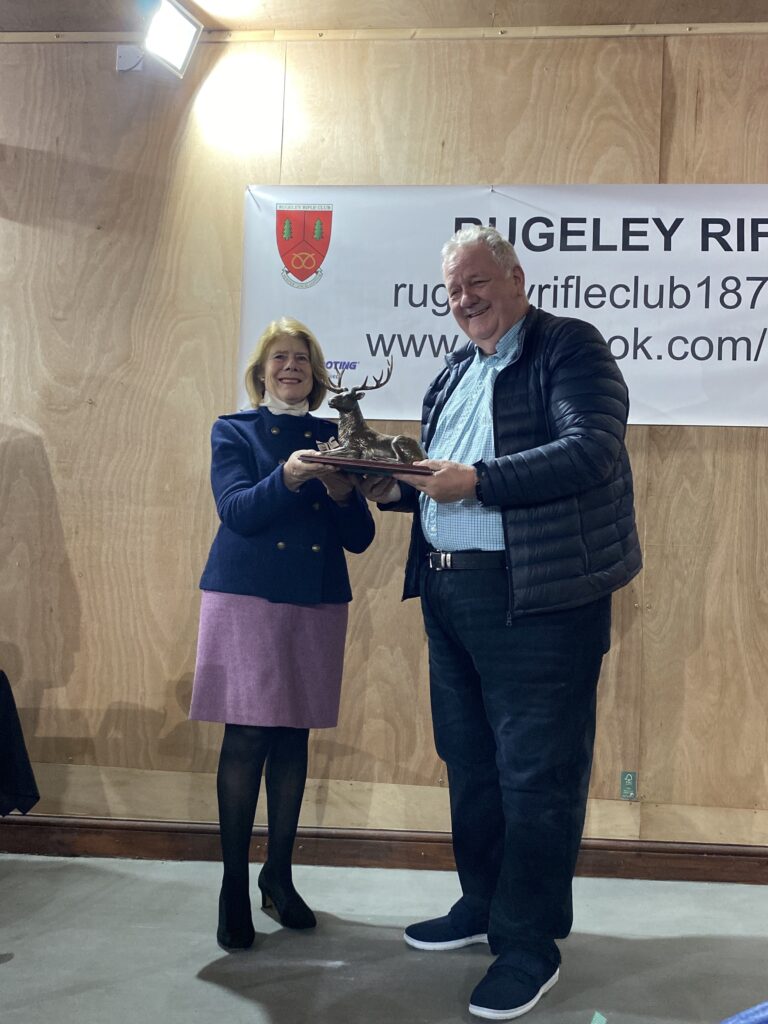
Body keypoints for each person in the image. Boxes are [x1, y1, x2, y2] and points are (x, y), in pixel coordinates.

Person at [360, 225, 641, 1019]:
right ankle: (482, 905)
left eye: (477, 282)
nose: (464, 300)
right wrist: (388, 487)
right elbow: (435, 485)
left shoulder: (568, 347)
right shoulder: (454, 372)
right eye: (452, 291)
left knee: (537, 779)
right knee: (471, 764)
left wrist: (475, 480)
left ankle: (529, 944)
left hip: (540, 600)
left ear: (517, 277)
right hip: (451, 596)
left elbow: (591, 449)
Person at [189, 316, 374, 952]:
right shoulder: (233, 430)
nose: (290, 367)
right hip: (246, 597)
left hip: (316, 597)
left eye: (301, 359)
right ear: (261, 371)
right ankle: (232, 886)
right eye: (279, 358)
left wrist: (344, 491)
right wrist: (289, 477)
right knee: (245, 738)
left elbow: (359, 539)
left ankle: (281, 878)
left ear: (318, 375)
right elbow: (236, 510)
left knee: (294, 737)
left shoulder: (337, 436)